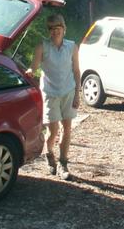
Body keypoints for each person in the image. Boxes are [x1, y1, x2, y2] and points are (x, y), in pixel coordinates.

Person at [27, 14, 80, 180]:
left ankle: (63, 164)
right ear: (48, 31)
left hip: (68, 91)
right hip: (50, 93)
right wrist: (29, 72)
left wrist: (77, 93)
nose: (55, 31)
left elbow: (77, 71)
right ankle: (49, 154)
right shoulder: (42, 47)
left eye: (58, 27)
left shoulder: (72, 47)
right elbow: (34, 67)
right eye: (51, 28)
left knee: (67, 128)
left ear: (64, 28)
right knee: (53, 130)